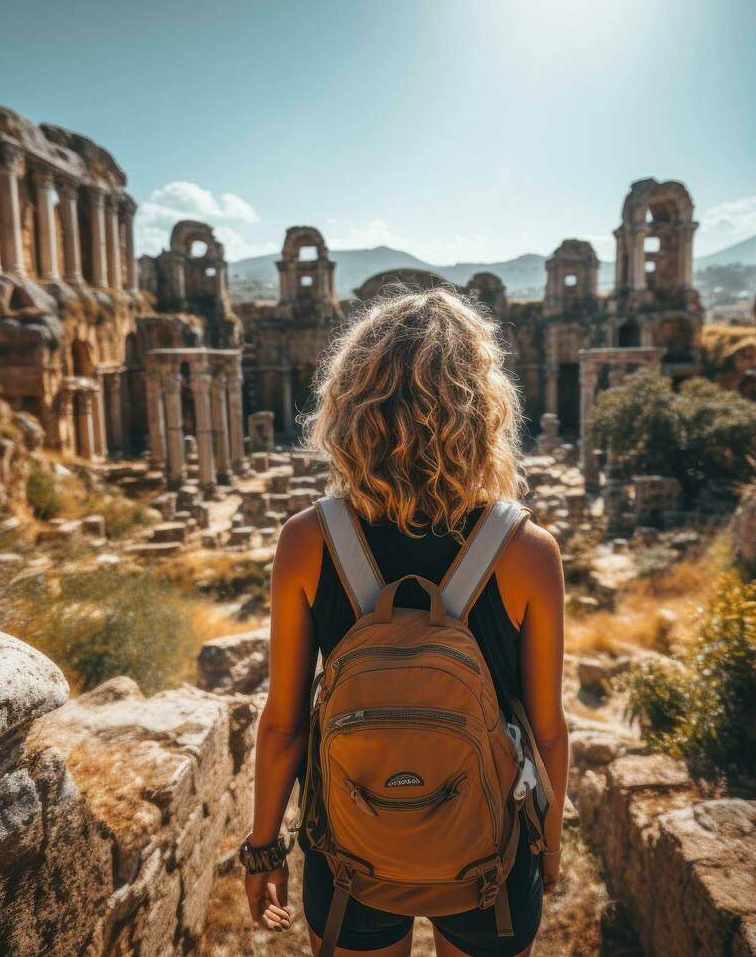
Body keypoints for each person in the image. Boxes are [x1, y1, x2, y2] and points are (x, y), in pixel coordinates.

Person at [243, 288, 568, 957]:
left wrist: (263, 847)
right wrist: (552, 841)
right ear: (482, 409)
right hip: (492, 855)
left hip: (349, 851)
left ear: (349, 405)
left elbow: (283, 725)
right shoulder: (529, 552)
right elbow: (547, 731)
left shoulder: (307, 541)